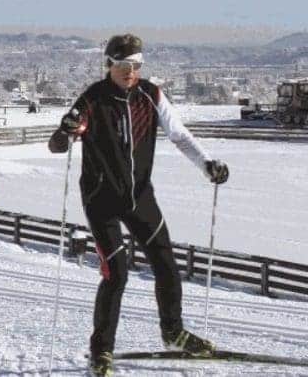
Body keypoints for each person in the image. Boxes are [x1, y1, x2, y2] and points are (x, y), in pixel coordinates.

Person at [48, 34, 229, 376]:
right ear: (109, 66)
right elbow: (58, 144)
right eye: (122, 66)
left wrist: (207, 164)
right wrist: (66, 131)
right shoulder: (93, 99)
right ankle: (101, 352)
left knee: (166, 265)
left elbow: (180, 135)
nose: (129, 72)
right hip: (101, 200)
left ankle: (173, 332)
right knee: (116, 275)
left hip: (139, 197)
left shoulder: (151, 94)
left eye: (135, 66)